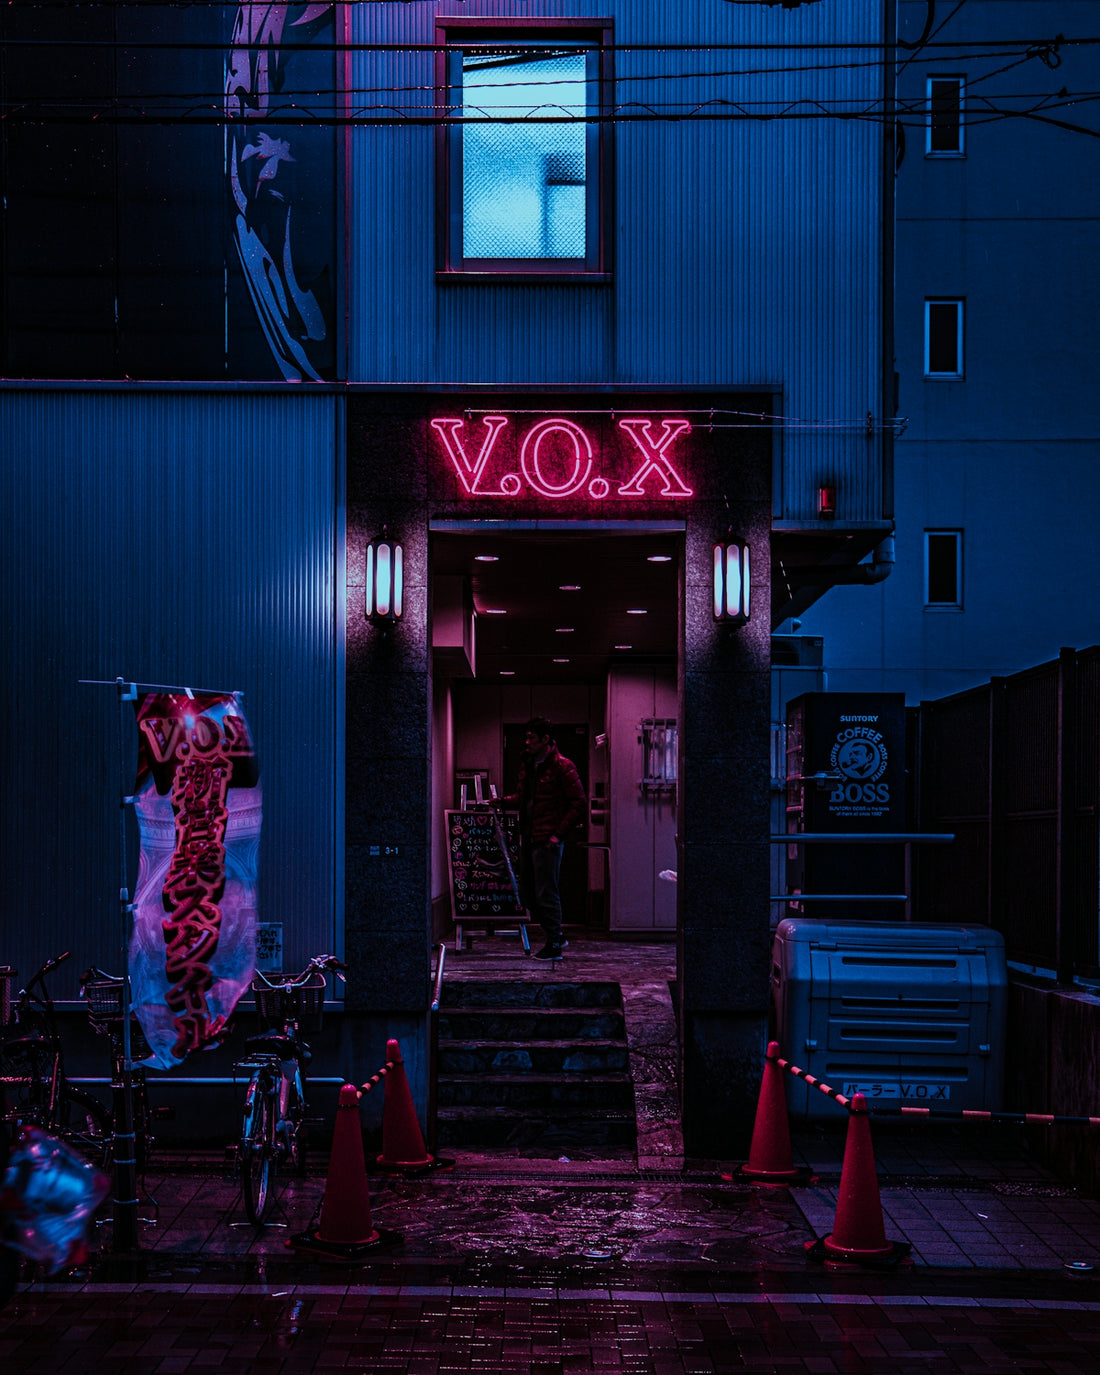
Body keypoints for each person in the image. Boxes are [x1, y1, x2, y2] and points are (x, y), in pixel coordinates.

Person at [496, 718, 587, 961]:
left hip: (547, 838)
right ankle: (557, 935)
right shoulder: (529, 764)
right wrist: (501, 802)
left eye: (531, 738)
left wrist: (558, 835)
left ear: (545, 739)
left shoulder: (562, 766)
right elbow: (525, 798)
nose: (527, 742)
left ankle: (554, 942)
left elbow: (579, 804)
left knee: (546, 891)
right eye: (526, 737)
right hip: (529, 835)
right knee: (527, 892)